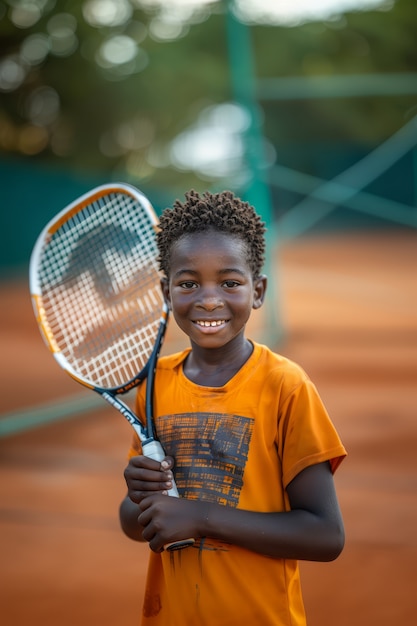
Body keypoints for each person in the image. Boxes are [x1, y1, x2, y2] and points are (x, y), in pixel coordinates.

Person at [119, 189, 347, 626]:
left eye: (229, 282)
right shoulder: (154, 386)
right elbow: (136, 525)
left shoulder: (285, 386)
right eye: (188, 284)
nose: (208, 299)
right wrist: (136, 498)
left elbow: (325, 535)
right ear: (166, 293)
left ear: (257, 290)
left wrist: (202, 518)